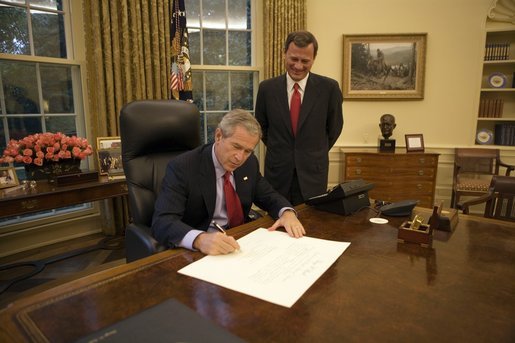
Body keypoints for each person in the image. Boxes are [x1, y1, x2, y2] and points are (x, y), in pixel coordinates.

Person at [152, 109, 305, 255]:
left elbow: (269, 196)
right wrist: (199, 239)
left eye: (247, 151)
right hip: (202, 248)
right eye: (236, 146)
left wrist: (287, 212)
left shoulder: (249, 163)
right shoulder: (183, 167)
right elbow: (163, 221)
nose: (240, 157)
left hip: (240, 241)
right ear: (218, 136)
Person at [255, 31, 343, 206]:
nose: (298, 66)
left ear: (314, 58)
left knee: (311, 225)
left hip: (313, 175)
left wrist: (312, 152)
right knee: (275, 224)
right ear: (284, 54)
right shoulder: (267, 89)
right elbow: (261, 128)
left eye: (305, 61)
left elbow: (334, 128)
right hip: (278, 174)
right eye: (293, 59)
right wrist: (281, 149)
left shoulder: (329, 88)